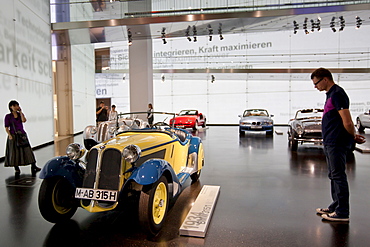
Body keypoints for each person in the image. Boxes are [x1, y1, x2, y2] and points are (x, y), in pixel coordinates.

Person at [311, 68, 365, 222]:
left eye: (316, 83)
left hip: (337, 143)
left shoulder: (338, 94)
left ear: (325, 79)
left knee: (338, 176)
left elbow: (347, 121)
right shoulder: (330, 94)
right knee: (333, 175)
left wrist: (353, 136)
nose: (315, 87)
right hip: (330, 142)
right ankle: (336, 205)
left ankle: (342, 212)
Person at [4, 100, 41, 176]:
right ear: (11, 107)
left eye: (17, 105)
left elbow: (24, 120)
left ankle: (33, 165)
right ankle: (16, 168)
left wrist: (21, 112)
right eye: (14, 106)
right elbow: (6, 127)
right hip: (14, 135)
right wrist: (10, 135)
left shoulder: (20, 114)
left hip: (22, 134)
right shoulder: (8, 116)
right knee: (14, 152)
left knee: (28, 150)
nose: (16, 107)